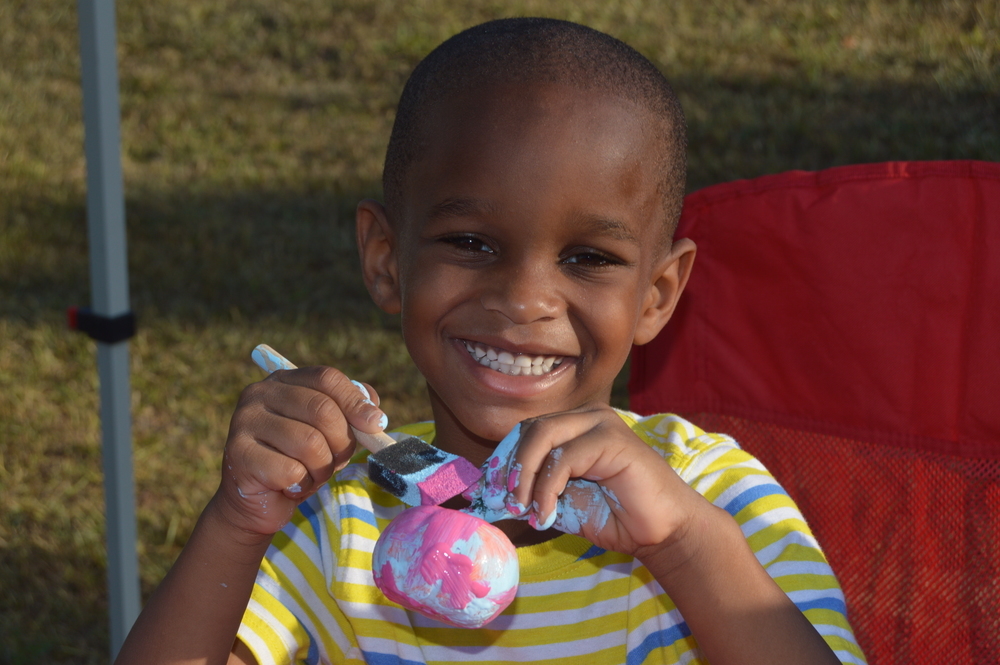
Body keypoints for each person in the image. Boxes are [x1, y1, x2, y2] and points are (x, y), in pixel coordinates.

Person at [115, 17, 866, 665]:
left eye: (589, 258)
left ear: (657, 295)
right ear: (385, 260)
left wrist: (683, 546)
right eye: (472, 241)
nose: (525, 299)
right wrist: (237, 522)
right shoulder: (329, 522)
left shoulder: (707, 498)